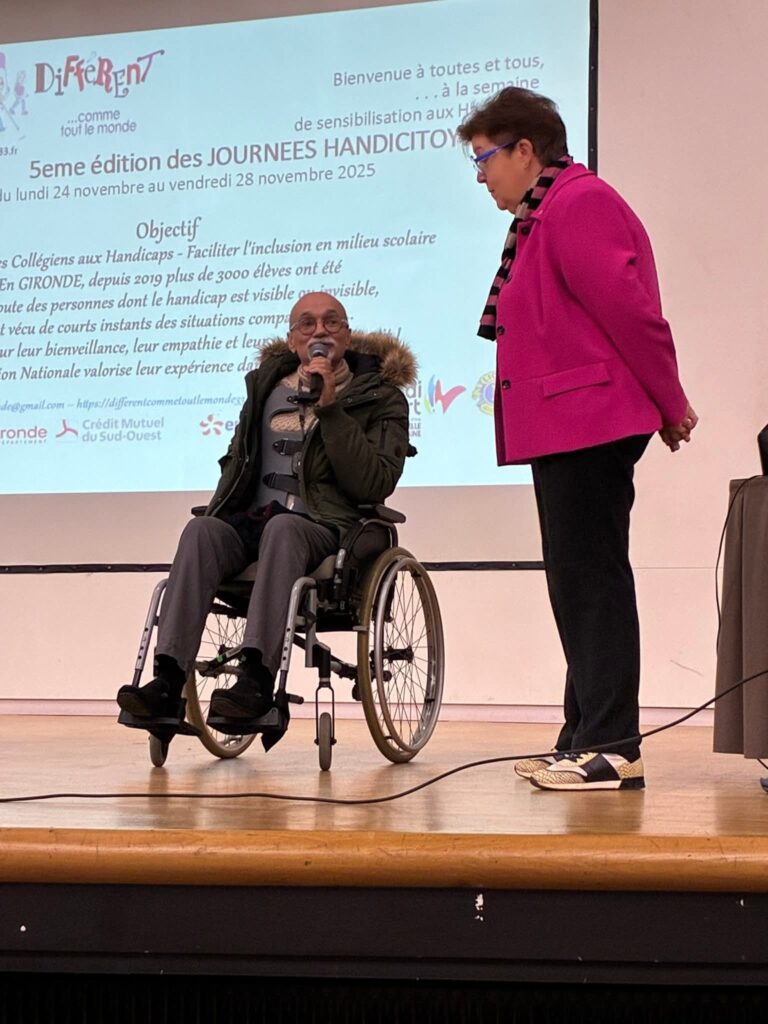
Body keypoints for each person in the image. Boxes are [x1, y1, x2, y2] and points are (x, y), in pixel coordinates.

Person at [457, 87, 697, 791]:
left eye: (485, 159)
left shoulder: (579, 203)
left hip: (589, 419)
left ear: (526, 150)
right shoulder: (545, 212)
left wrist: (671, 401)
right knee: (576, 580)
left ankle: (613, 746)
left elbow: (632, 314)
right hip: (568, 423)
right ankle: (582, 737)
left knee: (592, 580)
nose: (481, 176)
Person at [117, 291, 414, 741]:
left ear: (347, 335)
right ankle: (166, 683)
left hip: (327, 529)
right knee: (200, 531)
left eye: (332, 322)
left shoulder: (381, 397)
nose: (320, 331)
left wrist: (331, 409)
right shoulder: (264, 389)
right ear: (293, 340)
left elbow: (374, 482)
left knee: (283, 528)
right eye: (307, 324)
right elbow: (238, 462)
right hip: (254, 521)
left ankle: (256, 681)